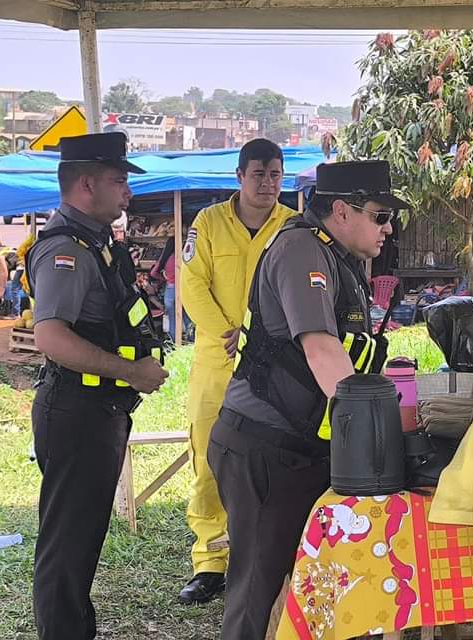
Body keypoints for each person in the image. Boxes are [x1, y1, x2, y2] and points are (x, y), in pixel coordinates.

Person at [209, 159, 402, 639]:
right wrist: (376, 434)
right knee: (256, 589)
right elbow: (321, 349)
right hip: (265, 448)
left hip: (300, 445)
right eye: (380, 215)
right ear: (341, 210)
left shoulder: (339, 258)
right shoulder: (302, 250)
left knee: (308, 585)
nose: (389, 227)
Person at [24, 131, 169, 639]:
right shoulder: (65, 250)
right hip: (76, 412)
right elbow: (51, 337)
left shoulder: (96, 243)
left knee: (82, 539)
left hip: (98, 410)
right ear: (87, 183)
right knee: (67, 545)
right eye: (118, 180)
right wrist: (132, 372)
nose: (127, 191)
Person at [173, 139, 299, 604]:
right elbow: (191, 284)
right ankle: (210, 562)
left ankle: (269, 557)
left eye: (275, 175)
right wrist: (228, 331)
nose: (267, 184)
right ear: (239, 176)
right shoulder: (207, 223)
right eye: (258, 174)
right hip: (217, 360)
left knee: (272, 463)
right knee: (209, 461)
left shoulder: (294, 227)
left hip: (276, 369)